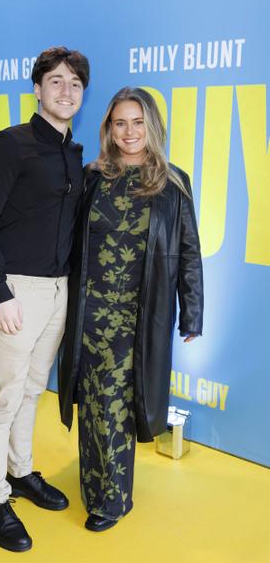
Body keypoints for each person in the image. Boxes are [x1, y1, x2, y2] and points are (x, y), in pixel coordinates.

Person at [58, 87, 203, 532]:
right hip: (89, 312)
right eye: (120, 122)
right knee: (92, 404)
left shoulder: (172, 182)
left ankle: (114, 501)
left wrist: (192, 312)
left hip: (139, 318)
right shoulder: (92, 177)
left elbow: (189, 252)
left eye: (137, 122)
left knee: (117, 407)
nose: (129, 131)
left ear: (151, 126)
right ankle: (93, 488)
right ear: (108, 128)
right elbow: (67, 241)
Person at [0, 46, 90, 552]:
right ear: (37, 88)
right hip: (14, 290)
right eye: (56, 81)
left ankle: (19, 473)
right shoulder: (9, 145)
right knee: (3, 395)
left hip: (58, 290)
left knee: (31, 390)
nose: (67, 91)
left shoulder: (74, 153)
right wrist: (0, 292)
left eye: (76, 84)